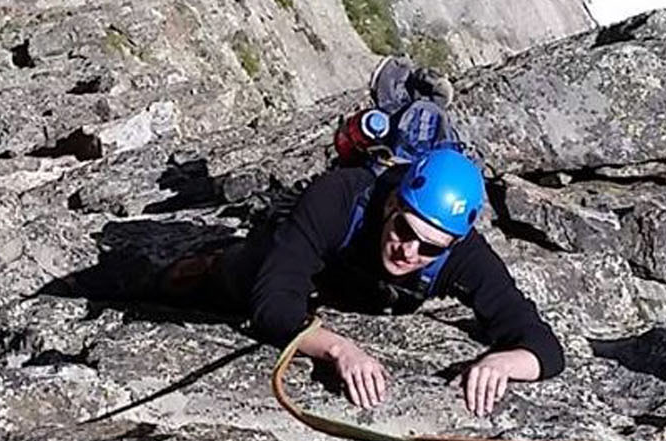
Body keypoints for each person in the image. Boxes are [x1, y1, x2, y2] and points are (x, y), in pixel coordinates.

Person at [238, 144, 565, 417]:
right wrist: (339, 349)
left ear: (451, 244)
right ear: (392, 203)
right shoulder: (339, 197)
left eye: (430, 248)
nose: (408, 251)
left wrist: (502, 363)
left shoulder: (463, 254)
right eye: (404, 229)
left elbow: (544, 345)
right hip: (279, 265)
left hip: (361, 292)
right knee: (234, 274)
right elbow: (273, 302)